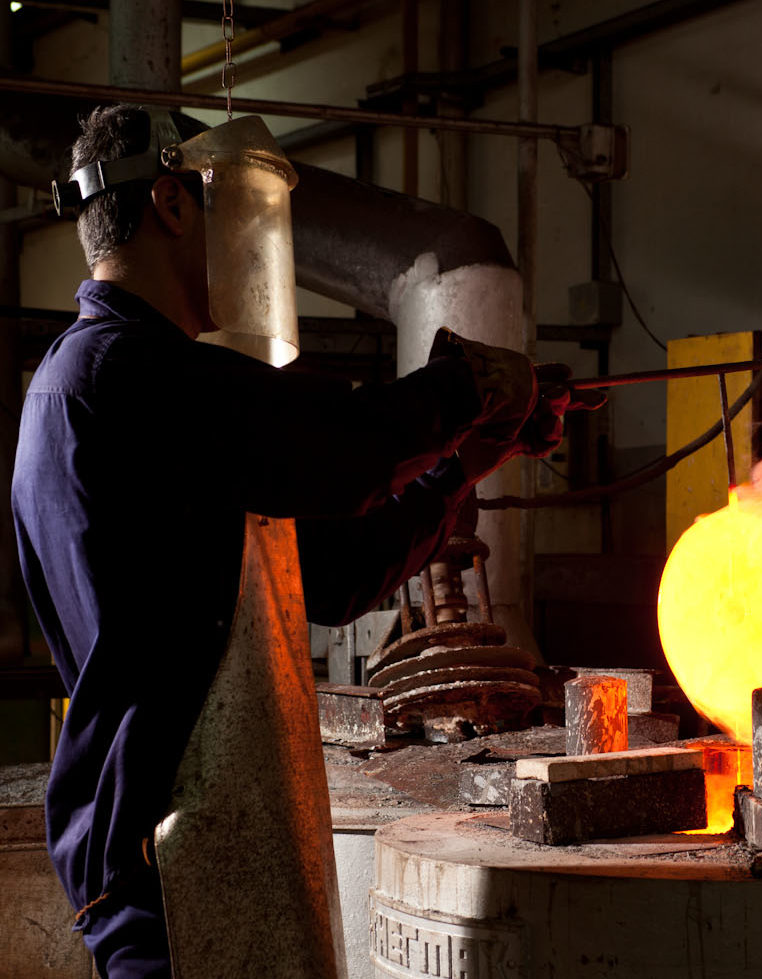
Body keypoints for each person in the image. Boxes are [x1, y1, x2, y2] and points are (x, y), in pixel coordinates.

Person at [12, 104, 585, 978]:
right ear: (171, 202)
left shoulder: (145, 398)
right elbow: (340, 443)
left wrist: (465, 457)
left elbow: (333, 570)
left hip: (197, 843)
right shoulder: (122, 375)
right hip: (165, 856)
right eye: (222, 208)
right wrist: (462, 387)